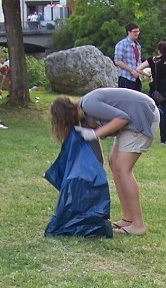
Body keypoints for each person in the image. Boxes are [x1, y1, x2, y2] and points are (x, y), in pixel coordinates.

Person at [50, 88, 158, 236]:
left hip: (143, 114)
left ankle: (138, 225)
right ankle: (128, 219)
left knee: (123, 168)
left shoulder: (88, 104)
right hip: (134, 119)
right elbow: (96, 158)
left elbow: (123, 118)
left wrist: (95, 133)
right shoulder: (84, 119)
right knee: (114, 163)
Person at [142, 41, 166, 145]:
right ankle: (163, 139)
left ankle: (146, 134)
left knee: (151, 112)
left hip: (155, 90)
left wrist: (148, 76)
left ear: (158, 50)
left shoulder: (152, 60)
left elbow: (138, 68)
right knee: (163, 114)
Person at [113, 23, 143, 91]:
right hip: (126, 77)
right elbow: (117, 61)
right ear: (129, 32)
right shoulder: (121, 44)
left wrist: (142, 72)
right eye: (135, 32)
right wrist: (131, 70)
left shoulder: (138, 46)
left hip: (137, 78)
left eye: (138, 31)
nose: (137, 33)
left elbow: (138, 61)